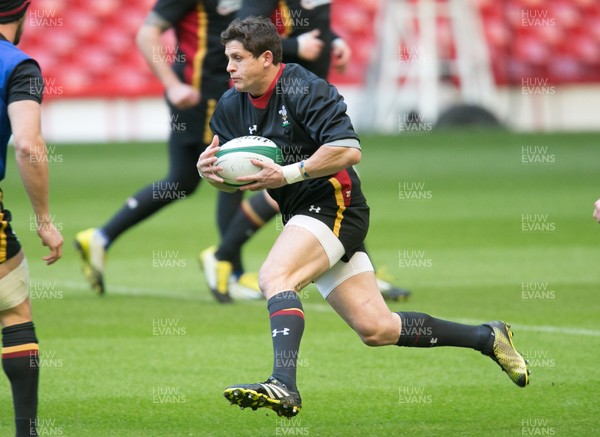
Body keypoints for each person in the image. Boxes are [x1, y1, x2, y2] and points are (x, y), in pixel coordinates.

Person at [197, 16, 530, 418]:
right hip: (300, 214)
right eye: (227, 58)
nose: (228, 66)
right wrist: (210, 174)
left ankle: (283, 384)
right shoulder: (232, 105)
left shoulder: (305, 88)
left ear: (266, 58)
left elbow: (348, 150)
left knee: (274, 277)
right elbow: (232, 182)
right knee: (377, 328)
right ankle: (486, 337)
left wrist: (287, 173)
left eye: (237, 58)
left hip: (335, 204)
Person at [201, 0, 411, 303]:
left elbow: (313, 21)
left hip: (302, 90)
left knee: (330, 183)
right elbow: (249, 30)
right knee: (311, 182)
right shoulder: (251, 76)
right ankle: (223, 254)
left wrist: (333, 39)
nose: (229, 65)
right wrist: (296, 45)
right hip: (279, 91)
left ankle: (223, 253)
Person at [73, 0, 237, 294]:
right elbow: (147, 33)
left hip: (213, 93)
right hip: (202, 95)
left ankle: (100, 237)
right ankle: (230, 268)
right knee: (231, 171)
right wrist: (172, 84)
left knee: (181, 181)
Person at [0, 1, 64, 435]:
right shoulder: (18, 65)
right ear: (22, 14)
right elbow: (27, 144)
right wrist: (43, 218)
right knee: (11, 306)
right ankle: (26, 432)